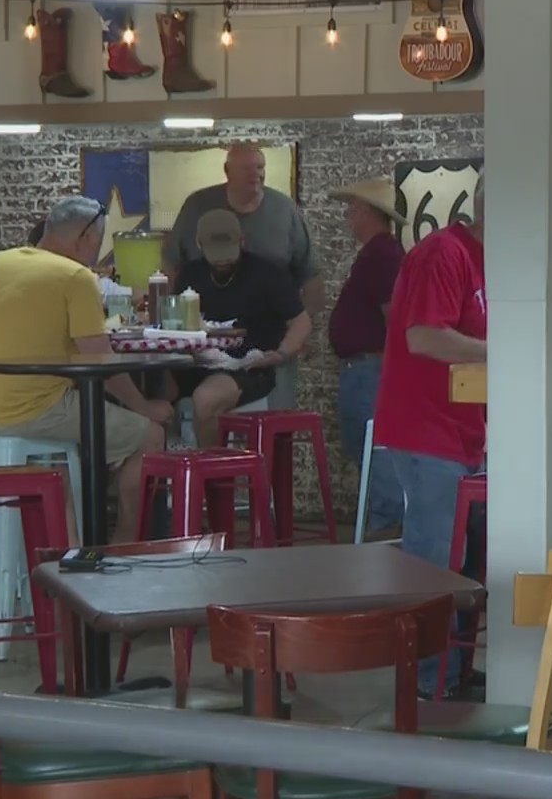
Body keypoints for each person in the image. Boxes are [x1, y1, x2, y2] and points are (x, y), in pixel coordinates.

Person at [0, 196, 172, 542]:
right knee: (150, 436)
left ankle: (67, 556)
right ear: (85, 239)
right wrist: (145, 408)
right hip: (33, 412)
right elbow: (99, 359)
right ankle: (124, 546)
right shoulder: (75, 276)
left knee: (68, 462)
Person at [375, 174, 486, 699]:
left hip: (465, 430)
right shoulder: (444, 253)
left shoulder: (487, 261)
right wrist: (507, 349)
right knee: (436, 558)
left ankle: (453, 672)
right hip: (426, 428)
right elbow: (423, 336)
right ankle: (421, 681)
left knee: (465, 557)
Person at [169, 211, 310, 447]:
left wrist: (282, 353)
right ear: (199, 245)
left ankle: (211, 473)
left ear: (242, 241)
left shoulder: (266, 274)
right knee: (154, 394)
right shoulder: (191, 274)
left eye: (228, 251)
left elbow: (301, 320)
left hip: (247, 365)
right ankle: (173, 464)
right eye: (215, 253)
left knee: (206, 398)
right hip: (195, 362)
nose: (222, 260)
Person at [326, 179, 407, 532]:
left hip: (370, 368)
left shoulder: (382, 255)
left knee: (376, 450)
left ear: (365, 212)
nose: (348, 217)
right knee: (369, 447)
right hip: (365, 367)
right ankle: (383, 525)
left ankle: (385, 530)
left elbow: (395, 315)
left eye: (353, 210)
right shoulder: (380, 253)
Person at [163, 144, 322, 314]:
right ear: (227, 170)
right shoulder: (196, 206)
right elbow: (171, 265)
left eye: (260, 167)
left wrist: (302, 328)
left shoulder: (285, 210)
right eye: (246, 168)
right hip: (205, 327)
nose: (256, 174)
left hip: (271, 328)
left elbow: (310, 275)